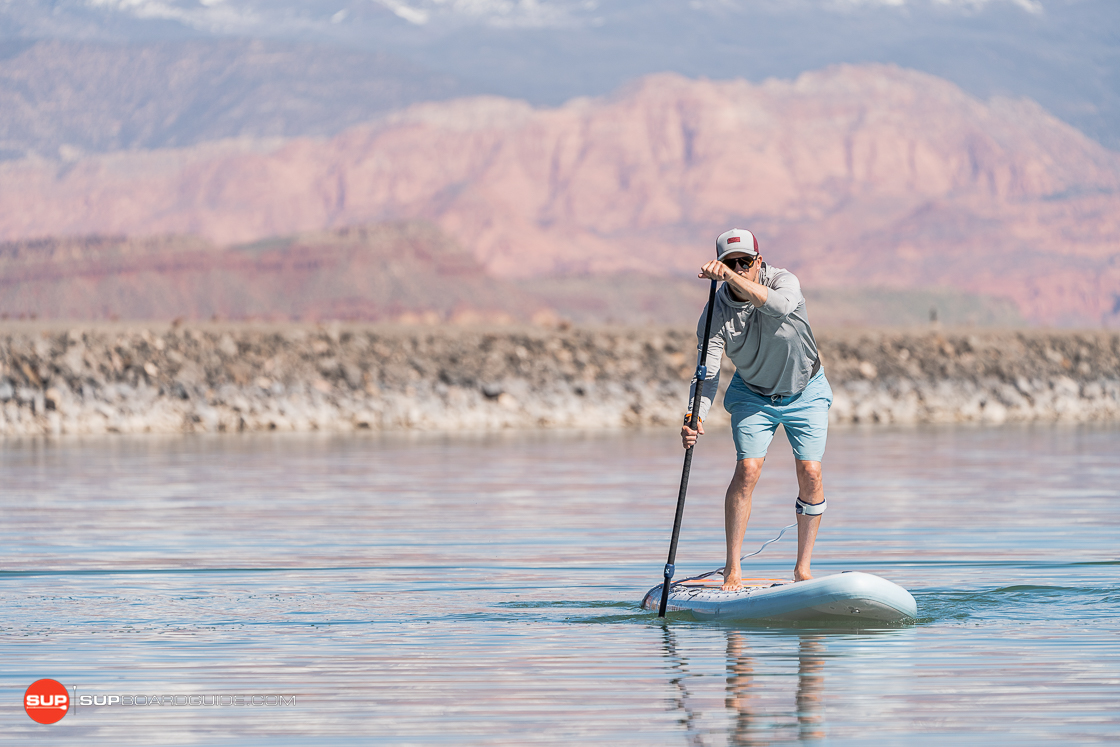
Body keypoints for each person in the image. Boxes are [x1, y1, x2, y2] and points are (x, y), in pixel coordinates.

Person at [681, 228, 832, 589]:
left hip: (805, 389)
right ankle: (733, 569)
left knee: (811, 473)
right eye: (730, 263)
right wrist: (694, 416)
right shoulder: (714, 313)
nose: (738, 269)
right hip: (752, 394)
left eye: (744, 263)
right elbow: (709, 373)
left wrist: (728, 276)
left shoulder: (784, 281)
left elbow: (778, 306)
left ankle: (803, 570)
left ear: (758, 262)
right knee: (748, 469)